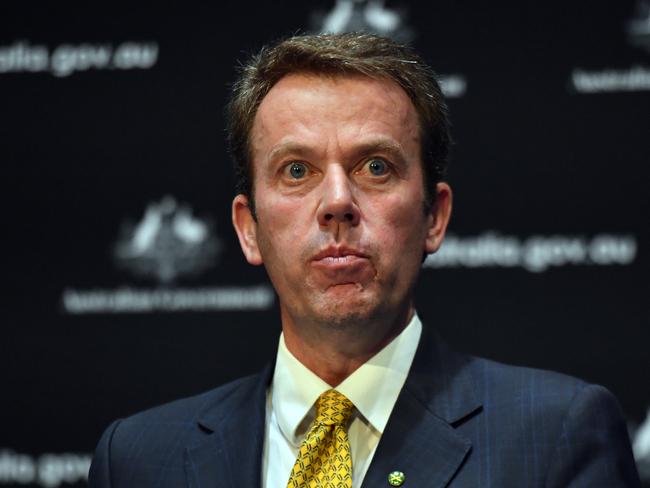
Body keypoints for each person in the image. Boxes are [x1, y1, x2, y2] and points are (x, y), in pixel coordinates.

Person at [88, 32, 641, 487]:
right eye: (296, 171)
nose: (336, 203)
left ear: (434, 216)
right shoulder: (138, 460)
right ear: (248, 229)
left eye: (375, 167)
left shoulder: (555, 438)